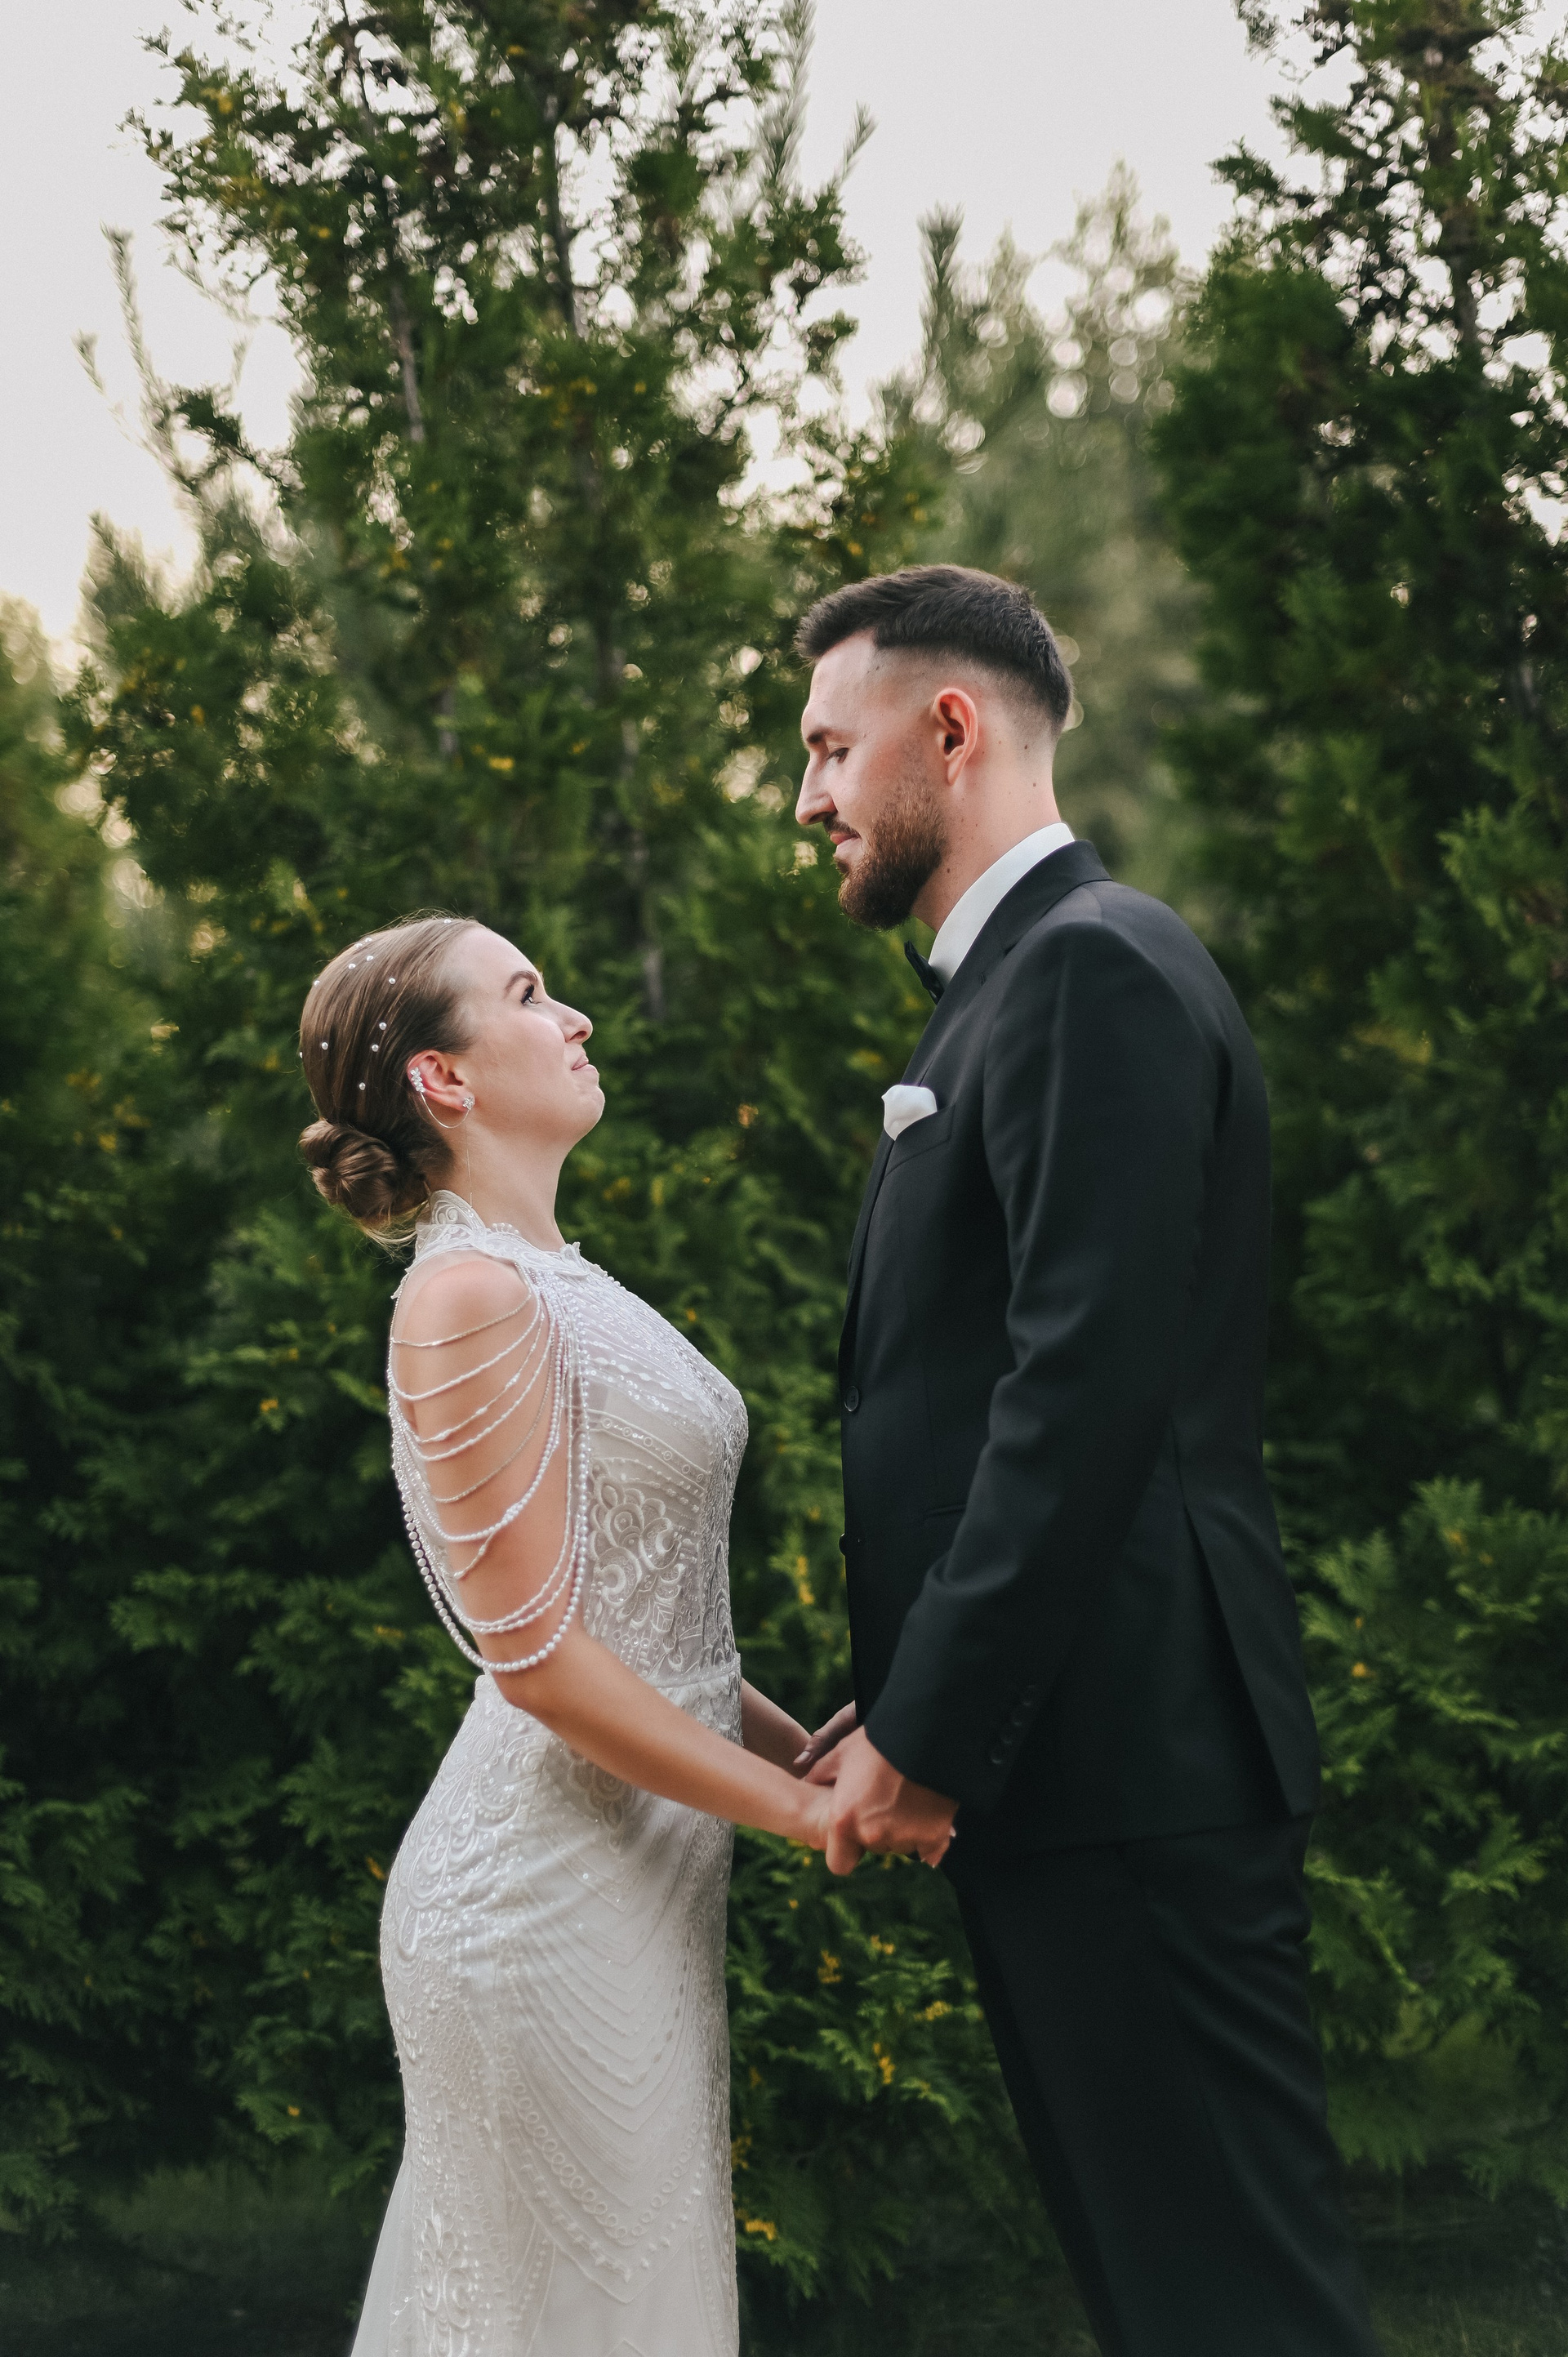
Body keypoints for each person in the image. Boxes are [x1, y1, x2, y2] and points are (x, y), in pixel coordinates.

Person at [790, 566, 1382, 2357]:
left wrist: (932, 1726)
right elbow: (1001, 1388)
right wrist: (910, 1688)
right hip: (1082, 1759)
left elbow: (1083, 1393)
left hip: (1133, 1760)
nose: (807, 797)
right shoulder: (1020, 981)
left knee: (1235, 2311)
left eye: (829, 748)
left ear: (947, 728)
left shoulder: (1088, 969)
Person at [296, 916, 902, 2357]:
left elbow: (651, 1621)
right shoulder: (465, 1296)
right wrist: (801, 1812)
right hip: (539, 1892)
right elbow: (543, 1664)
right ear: (444, 1078)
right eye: (527, 993)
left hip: (641, 1874)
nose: (573, 1015)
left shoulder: (551, 1274)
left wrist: (799, 1745)